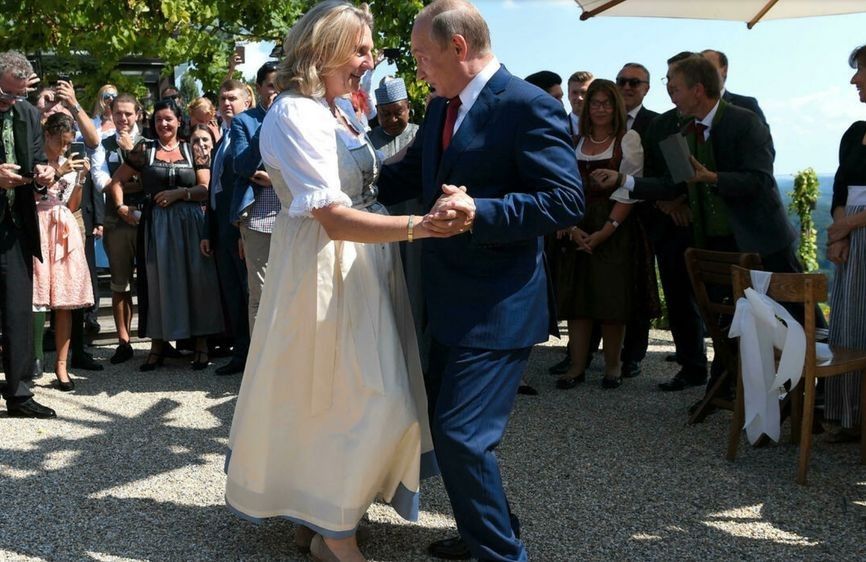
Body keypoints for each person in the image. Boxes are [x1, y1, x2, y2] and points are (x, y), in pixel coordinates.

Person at [225, 3, 450, 561]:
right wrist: (420, 227)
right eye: (360, 50)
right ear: (324, 50)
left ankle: (321, 518)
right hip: (326, 268)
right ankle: (335, 533)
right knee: (353, 397)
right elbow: (331, 216)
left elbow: (367, 181)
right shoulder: (295, 114)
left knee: (348, 393)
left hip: (362, 266)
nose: (369, 61)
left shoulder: (336, 109)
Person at [378, 1, 584, 560]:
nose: (418, 67)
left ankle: (502, 554)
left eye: (422, 55)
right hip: (447, 302)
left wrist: (482, 212)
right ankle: (486, 533)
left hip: (499, 305)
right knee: (447, 431)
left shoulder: (528, 106)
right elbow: (401, 176)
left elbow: (566, 200)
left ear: (458, 47)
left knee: (462, 436)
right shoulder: (441, 109)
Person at [594, 55, 801, 392]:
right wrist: (623, 180)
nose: (670, 93)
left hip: (763, 241)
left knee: (796, 317)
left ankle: (817, 391)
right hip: (714, 243)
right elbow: (672, 183)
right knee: (727, 318)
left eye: (674, 87)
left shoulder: (745, 121)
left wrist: (712, 178)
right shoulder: (680, 129)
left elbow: (760, 180)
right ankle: (724, 388)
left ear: (698, 90)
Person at [105, 99, 223, 371]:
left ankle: (201, 344)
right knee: (157, 281)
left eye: (169, 118)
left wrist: (180, 193)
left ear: (180, 121)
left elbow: (205, 188)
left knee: (197, 280)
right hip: (156, 225)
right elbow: (117, 181)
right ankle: (157, 346)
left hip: (190, 224)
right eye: (159, 119)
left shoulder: (193, 148)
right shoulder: (144, 150)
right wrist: (122, 208)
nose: (163, 124)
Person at [552, 79, 643, 391]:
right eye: (595, 103)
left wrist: (606, 231)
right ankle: (577, 365)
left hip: (614, 228)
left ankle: (613, 366)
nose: (600, 109)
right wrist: (572, 228)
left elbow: (629, 192)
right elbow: (563, 188)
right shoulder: (574, 142)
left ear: (615, 107)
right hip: (577, 226)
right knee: (578, 299)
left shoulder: (627, 140)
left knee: (611, 300)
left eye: (606, 103)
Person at [0, 50, 58, 418]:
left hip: (14, 227)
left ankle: (19, 393)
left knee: (18, 311)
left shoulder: (27, 114)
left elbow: (38, 161)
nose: (12, 100)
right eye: (5, 93)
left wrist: (44, 175)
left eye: (19, 94)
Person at [31, 113, 94, 392]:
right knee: (35, 295)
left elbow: (72, 205)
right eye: (61, 142)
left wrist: (79, 179)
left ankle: (61, 365)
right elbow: (33, 195)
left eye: (69, 143)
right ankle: (32, 357)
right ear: (48, 135)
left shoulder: (69, 163)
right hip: (38, 223)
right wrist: (57, 170)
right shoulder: (35, 159)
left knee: (65, 299)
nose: (65, 148)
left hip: (62, 226)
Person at [824, 44, 866, 442]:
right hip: (853, 241)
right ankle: (850, 416)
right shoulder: (855, 133)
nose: (855, 79)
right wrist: (841, 231)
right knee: (850, 324)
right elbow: (840, 187)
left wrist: (847, 226)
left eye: (862, 70)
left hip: (857, 230)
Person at [202, 79, 252, 376]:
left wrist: (244, 228)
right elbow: (214, 190)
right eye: (222, 99)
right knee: (233, 295)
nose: (226, 104)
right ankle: (240, 353)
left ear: (247, 101)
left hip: (242, 229)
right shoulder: (222, 140)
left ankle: (255, 359)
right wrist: (208, 231)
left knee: (249, 294)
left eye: (232, 98)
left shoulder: (251, 134)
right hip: (221, 230)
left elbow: (250, 186)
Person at [90, 93, 144, 364]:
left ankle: (157, 340)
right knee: (119, 283)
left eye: (128, 113)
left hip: (146, 219)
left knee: (151, 280)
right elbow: (101, 181)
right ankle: (124, 341)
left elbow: (151, 179)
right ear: (111, 113)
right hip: (116, 221)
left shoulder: (148, 141)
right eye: (118, 113)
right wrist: (128, 184)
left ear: (138, 115)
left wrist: (129, 153)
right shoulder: (103, 142)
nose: (123, 118)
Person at [228, 61, 280, 333]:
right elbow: (242, 166)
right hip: (258, 217)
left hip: (293, 214)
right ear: (259, 88)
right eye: (271, 85)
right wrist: (268, 122)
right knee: (261, 292)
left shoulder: (296, 117)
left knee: (292, 290)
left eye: (282, 85)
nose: (277, 91)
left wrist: (276, 180)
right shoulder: (244, 121)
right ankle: (260, 357)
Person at [700, 49, 768, 126]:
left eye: (708, 68)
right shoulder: (691, 110)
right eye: (698, 70)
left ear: (724, 70)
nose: (703, 74)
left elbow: (763, 133)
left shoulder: (746, 105)